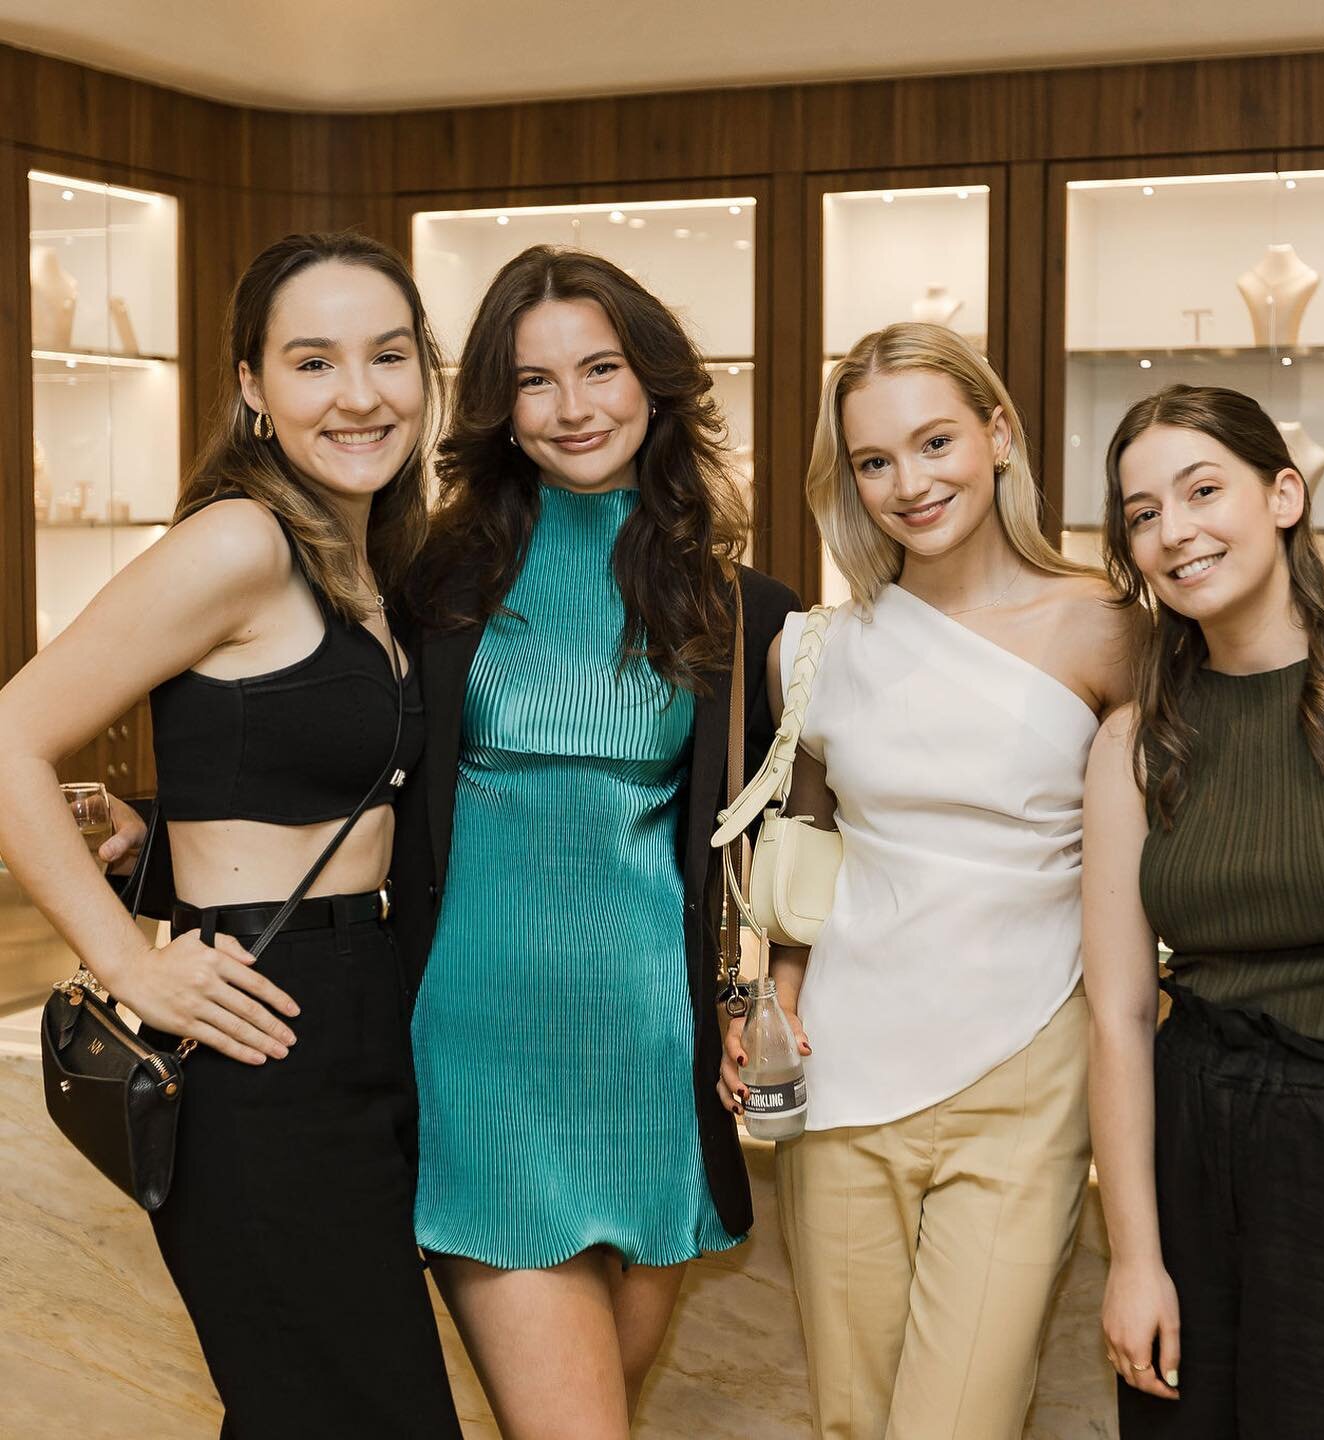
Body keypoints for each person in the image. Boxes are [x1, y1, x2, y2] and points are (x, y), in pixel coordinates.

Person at [0, 232, 463, 1439]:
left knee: (305, 1404)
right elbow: (8, 739)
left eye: (390, 355)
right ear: (253, 388)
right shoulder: (240, 540)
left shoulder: (361, 554)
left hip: (365, 1015)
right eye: (313, 362)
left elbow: (294, 774)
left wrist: (151, 839)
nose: (359, 393)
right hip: (265, 1042)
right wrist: (130, 958)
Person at [392, 244, 797, 1440]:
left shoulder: (743, 607)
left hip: (649, 1057)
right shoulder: (427, 581)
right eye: (534, 382)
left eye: (602, 368)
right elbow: (330, 771)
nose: (574, 408)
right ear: (498, 411)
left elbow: (768, 841)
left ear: (655, 382)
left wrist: (756, 993)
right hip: (476, 1048)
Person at [719, 321, 1133, 1439]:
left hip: (1029, 1071)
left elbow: (1161, 849)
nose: (911, 482)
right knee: (852, 1420)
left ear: (997, 433)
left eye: (936, 440)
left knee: (959, 1423)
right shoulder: (813, 650)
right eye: (874, 460)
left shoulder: (1104, 627)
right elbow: (809, 840)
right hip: (844, 1072)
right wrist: (781, 997)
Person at [1083, 383, 1324, 1438]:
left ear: (1284, 495)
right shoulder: (1133, 741)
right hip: (1199, 1162)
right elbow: (1115, 1019)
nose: (1174, 532)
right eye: (1142, 515)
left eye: (1203, 490)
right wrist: (1135, 1260)